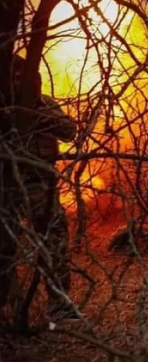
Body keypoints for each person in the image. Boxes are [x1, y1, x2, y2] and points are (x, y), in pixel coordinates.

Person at [0, 55, 78, 322]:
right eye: (15, 77)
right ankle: (9, 307)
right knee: (5, 247)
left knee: (53, 242)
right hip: (5, 186)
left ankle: (60, 305)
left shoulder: (44, 103)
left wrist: (33, 113)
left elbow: (69, 130)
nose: (20, 82)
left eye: (26, 77)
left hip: (41, 185)